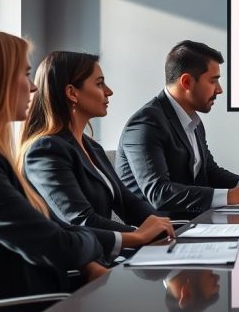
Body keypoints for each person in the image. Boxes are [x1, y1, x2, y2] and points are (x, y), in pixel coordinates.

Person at [0, 28, 110, 307]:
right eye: (25, 75)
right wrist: (92, 246)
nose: (34, 87)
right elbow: (58, 246)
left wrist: (85, 260)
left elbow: (54, 232)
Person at [19, 51, 174, 252]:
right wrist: (140, 235)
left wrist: (166, 227)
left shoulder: (92, 147)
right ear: (72, 92)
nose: (109, 91)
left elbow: (128, 203)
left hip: (106, 256)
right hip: (77, 270)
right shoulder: (45, 150)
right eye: (99, 83)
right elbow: (82, 220)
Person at [116, 40, 239, 215]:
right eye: (213, 81)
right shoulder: (146, 124)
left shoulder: (193, 121)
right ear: (186, 82)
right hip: (162, 233)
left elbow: (209, 170)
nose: (219, 90)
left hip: (194, 222)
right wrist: (230, 196)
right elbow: (159, 193)